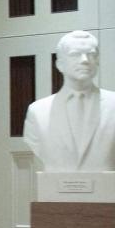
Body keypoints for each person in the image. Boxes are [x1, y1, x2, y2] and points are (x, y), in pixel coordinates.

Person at [23, 30, 115, 172]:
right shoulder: (38, 111)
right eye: (75, 54)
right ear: (60, 64)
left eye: (91, 54)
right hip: (56, 191)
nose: (85, 60)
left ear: (97, 61)